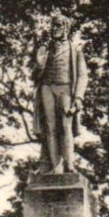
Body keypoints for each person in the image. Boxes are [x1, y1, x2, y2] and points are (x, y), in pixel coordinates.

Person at [32, 10, 88, 173]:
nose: (53, 29)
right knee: (50, 127)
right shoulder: (45, 49)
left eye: (57, 26)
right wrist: (39, 65)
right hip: (47, 88)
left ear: (66, 28)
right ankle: (56, 165)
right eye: (52, 26)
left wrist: (78, 97)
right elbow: (35, 77)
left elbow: (83, 75)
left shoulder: (75, 49)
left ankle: (69, 164)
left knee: (66, 126)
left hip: (66, 88)